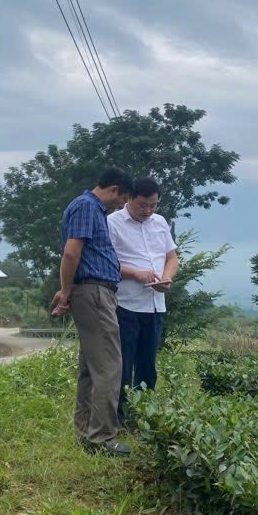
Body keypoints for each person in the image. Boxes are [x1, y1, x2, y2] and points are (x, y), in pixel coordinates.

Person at [50, 168, 134, 455]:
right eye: (122, 199)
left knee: (91, 368)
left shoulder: (88, 208)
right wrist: (65, 291)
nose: (120, 206)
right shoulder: (87, 207)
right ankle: (103, 439)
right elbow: (72, 253)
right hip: (95, 293)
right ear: (114, 190)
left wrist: (68, 291)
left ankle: (86, 433)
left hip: (94, 293)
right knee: (110, 367)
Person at [108, 177, 177, 427]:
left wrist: (167, 277)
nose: (148, 211)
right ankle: (120, 418)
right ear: (129, 199)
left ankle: (144, 415)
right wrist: (136, 274)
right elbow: (108, 262)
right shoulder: (112, 223)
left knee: (148, 364)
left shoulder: (159, 223)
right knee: (124, 365)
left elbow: (172, 257)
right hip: (126, 304)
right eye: (142, 205)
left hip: (155, 304)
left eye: (153, 205)